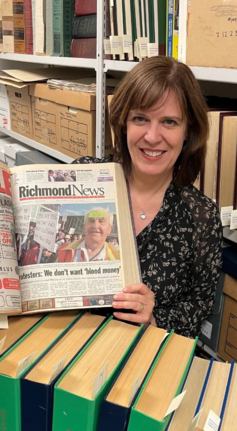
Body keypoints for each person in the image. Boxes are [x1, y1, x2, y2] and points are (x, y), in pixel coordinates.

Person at [73, 56, 221, 338]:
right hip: (64, 342)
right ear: (124, 123)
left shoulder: (200, 216)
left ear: (188, 130)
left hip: (143, 355)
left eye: (169, 122)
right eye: (140, 118)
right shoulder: (85, 176)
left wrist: (154, 318)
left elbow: (198, 305)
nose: (152, 137)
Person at [56, 208, 120, 262]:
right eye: (91, 221)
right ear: (84, 227)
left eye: (101, 221)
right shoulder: (64, 250)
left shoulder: (118, 257)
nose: (95, 226)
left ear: (110, 229)